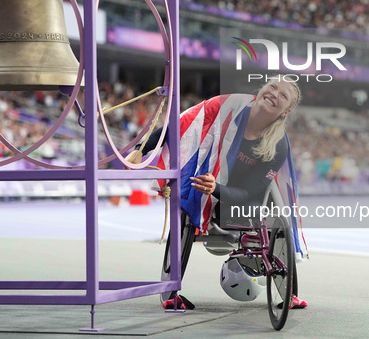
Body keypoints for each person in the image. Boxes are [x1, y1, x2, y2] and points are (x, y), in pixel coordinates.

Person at [128, 77, 308, 310]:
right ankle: (170, 293)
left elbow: (251, 191)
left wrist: (217, 189)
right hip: (206, 181)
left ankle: (290, 292)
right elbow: (179, 125)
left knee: (277, 206)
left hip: (239, 197)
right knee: (186, 202)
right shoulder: (226, 107)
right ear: (262, 89)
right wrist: (140, 148)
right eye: (272, 87)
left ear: (286, 111)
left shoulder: (278, 144)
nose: (275, 94)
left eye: (283, 96)